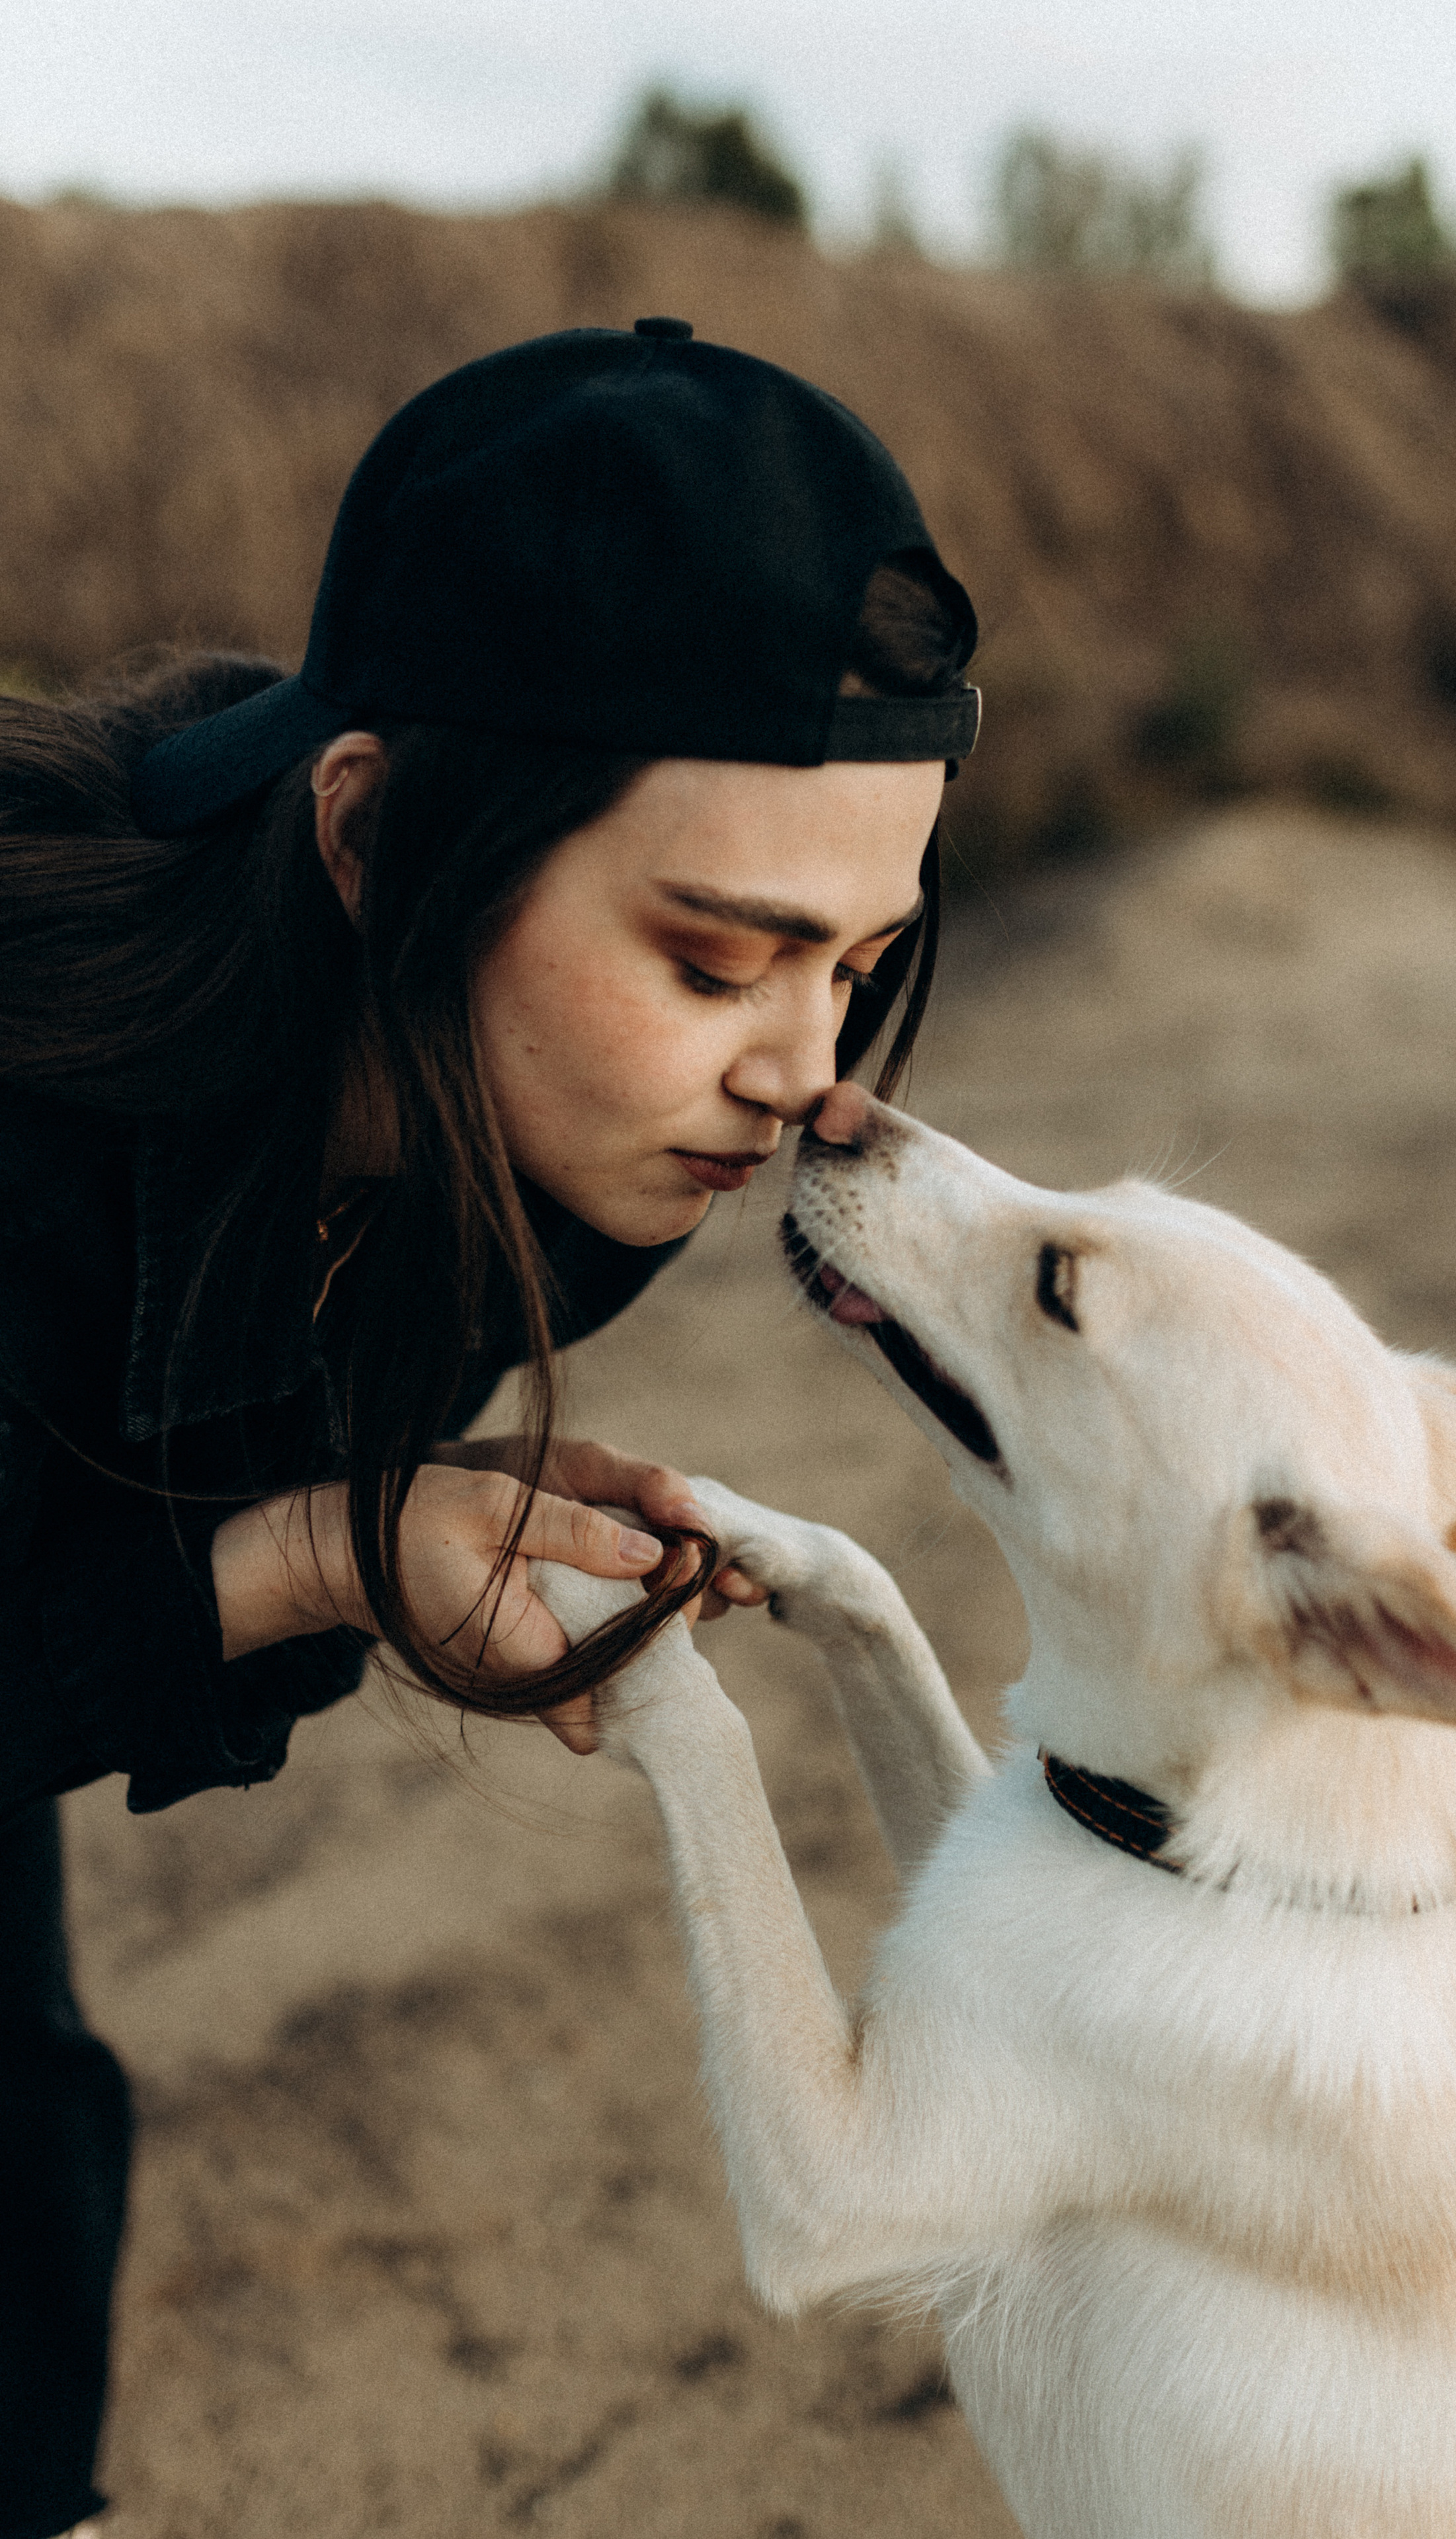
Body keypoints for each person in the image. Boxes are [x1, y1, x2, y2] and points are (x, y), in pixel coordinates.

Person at [0, 315, 979, 2538]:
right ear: (370, 832)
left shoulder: (595, 1146)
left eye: (856, 958)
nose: (804, 1073)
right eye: (720, 957)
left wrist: (367, 1516)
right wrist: (323, 1553)